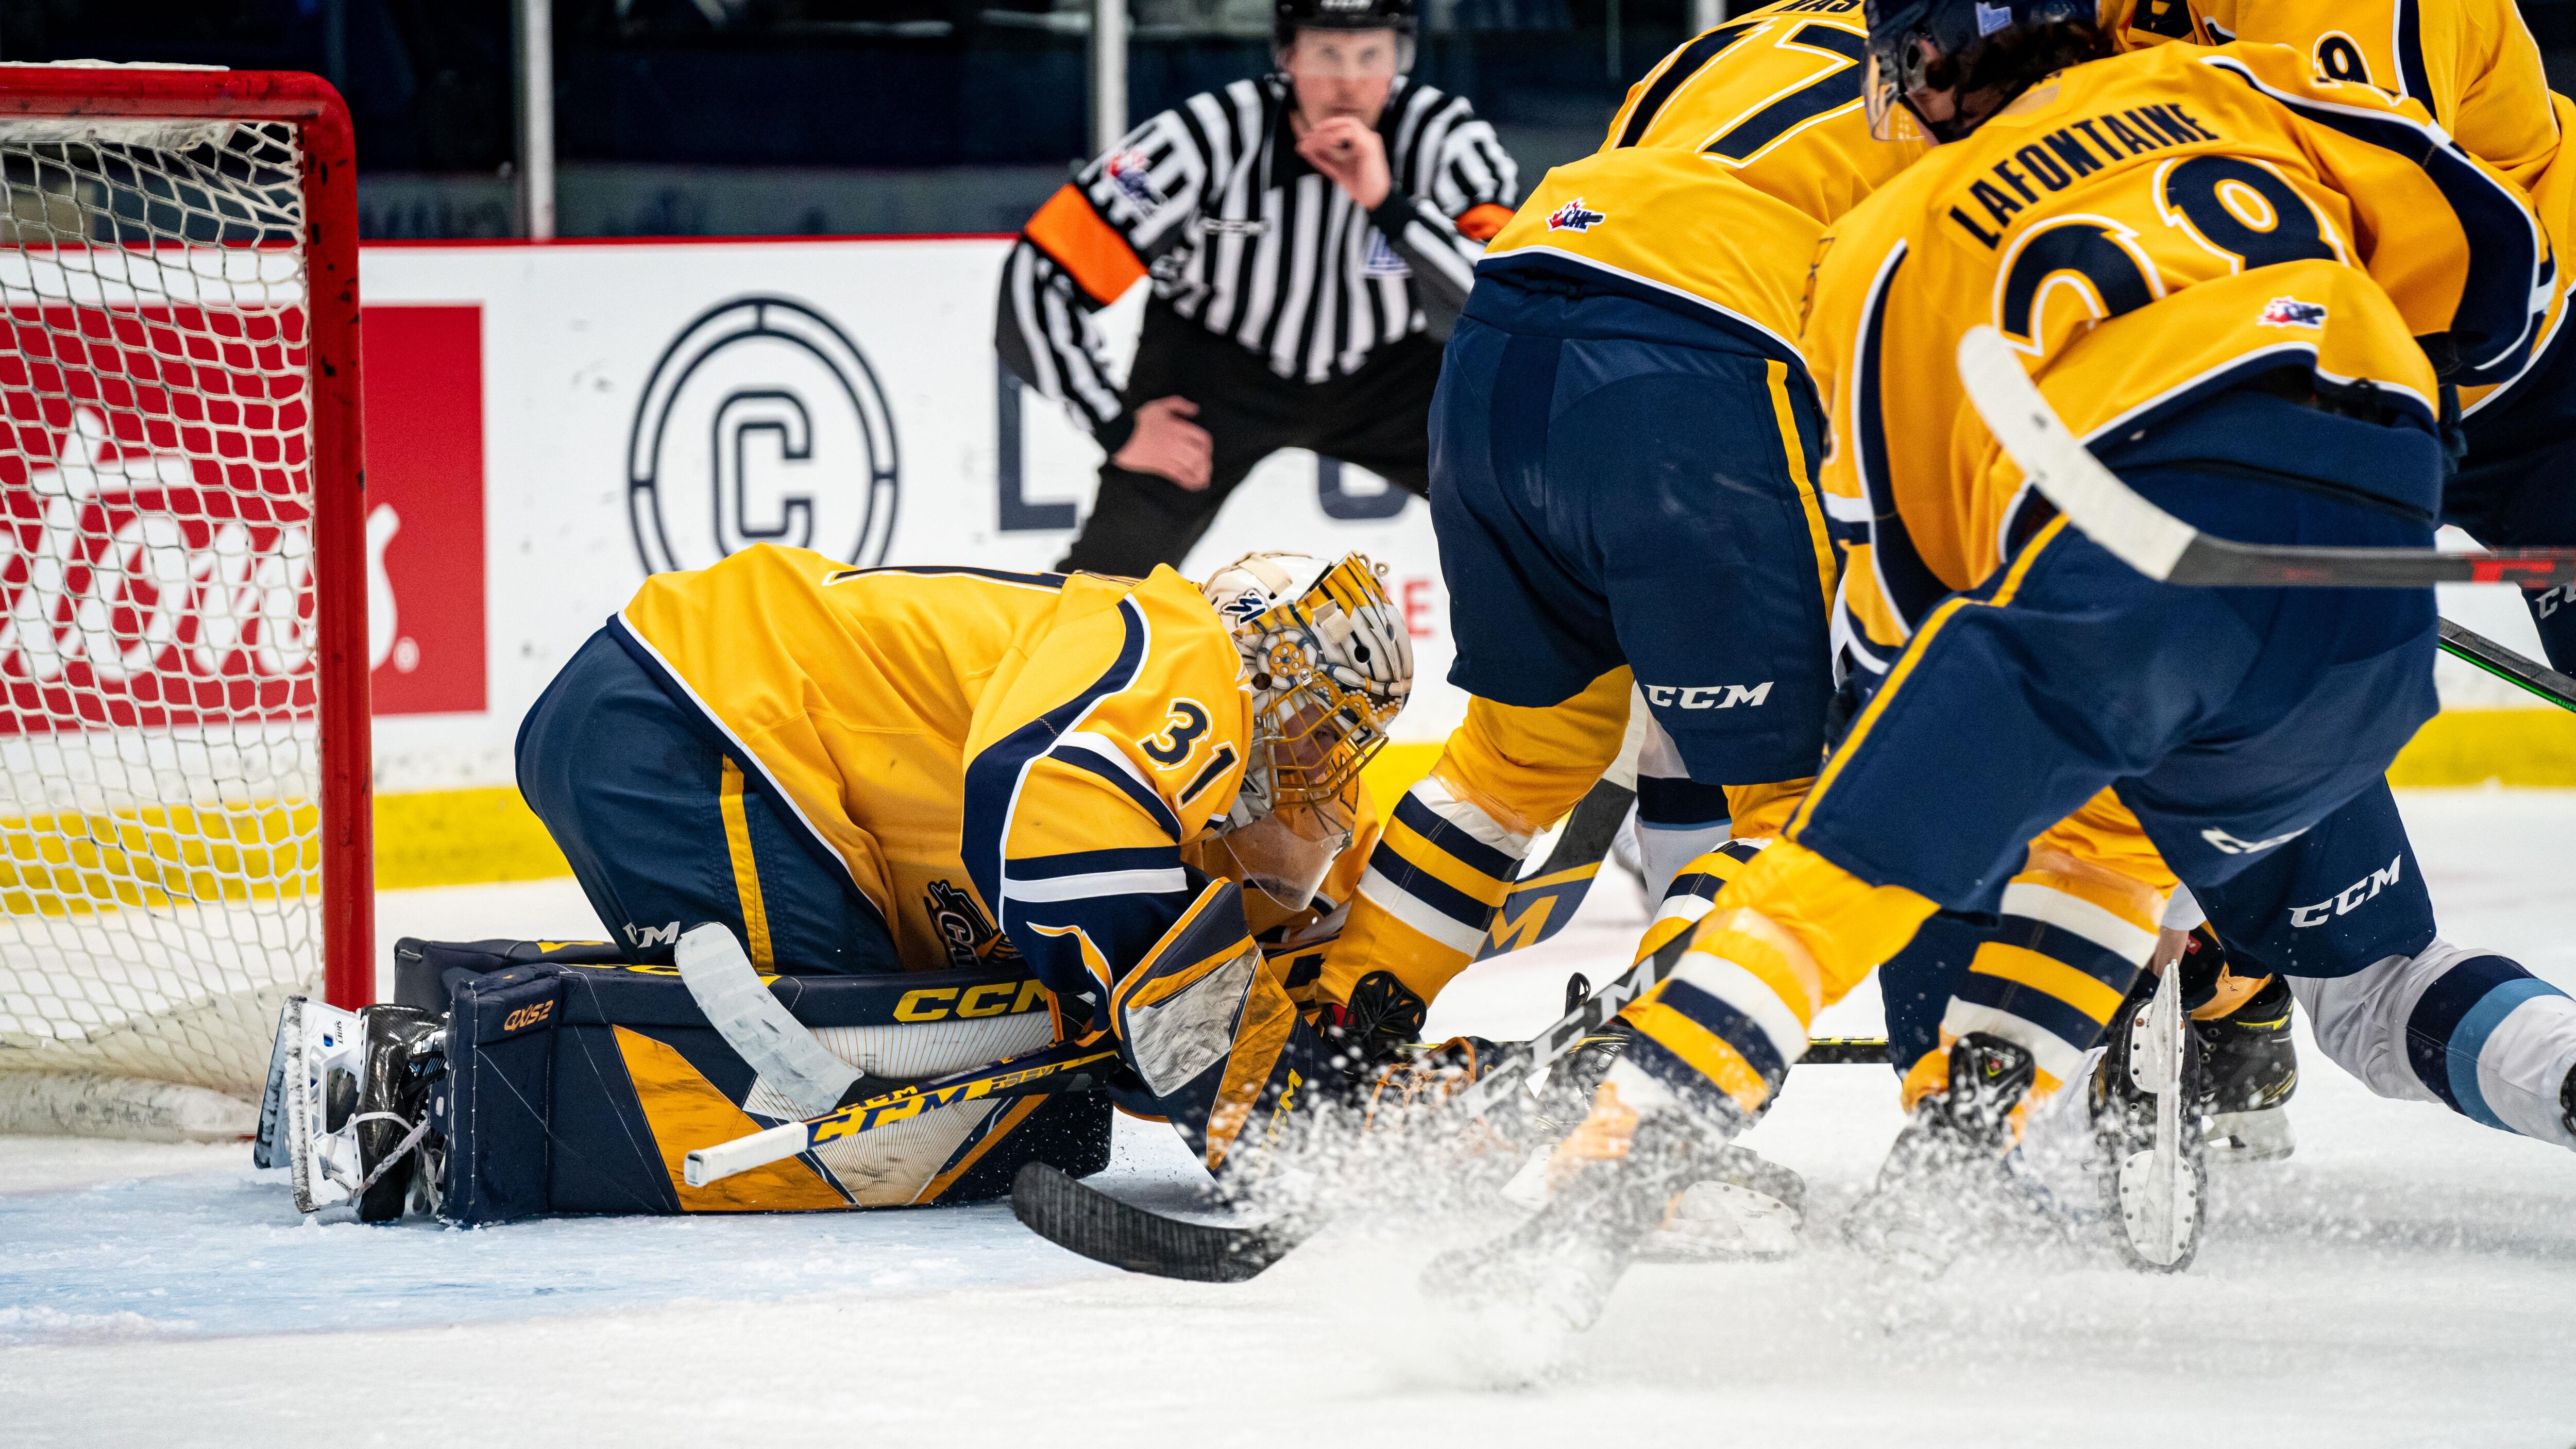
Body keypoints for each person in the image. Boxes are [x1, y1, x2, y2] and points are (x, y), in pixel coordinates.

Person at [1428, 0, 2558, 1322]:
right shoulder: (2246, 89)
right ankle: (1974, 1144)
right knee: (2129, 850)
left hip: (2132, 584)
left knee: (1831, 878)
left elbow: (1908, 591)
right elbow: (2501, 275)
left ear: (1923, 72)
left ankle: (1590, 1210)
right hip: (2376, 604)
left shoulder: (1892, 238)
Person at [1867, 0, 2576, 1182]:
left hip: (2514, 363)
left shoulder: (2315, 18)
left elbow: (2396, 251)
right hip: (2324, 381)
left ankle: (2204, 981)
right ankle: (2231, 985)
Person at [513, 546, 1416, 1170]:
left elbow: (1326, 907)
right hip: (694, 716)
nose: (1322, 762)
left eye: (1342, 739)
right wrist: (1268, 1112)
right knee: (863, 1107)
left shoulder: (1187, 766)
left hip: (672, 709)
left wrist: (1332, 1039)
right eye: (1313, 718)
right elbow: (1059, 834)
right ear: (1252, 656)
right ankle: (467, 1085)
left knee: (1022, 1103)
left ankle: (467, 1047)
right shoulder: (1185, 651)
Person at [994, 0, 1517, 577]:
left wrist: (1388, 207)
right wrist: (1116, 427)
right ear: (1286, 55)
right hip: (1214, 375)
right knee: (1105, 580)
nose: (1347, 81)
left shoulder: (1446, 138)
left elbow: (1506, 294)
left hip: (1391, 377)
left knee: (1526, 526)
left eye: (1370, 55)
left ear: (1401, 58)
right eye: (1326, 53)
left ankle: (1587, 666)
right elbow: (1038, 279)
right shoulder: (1202, 138)